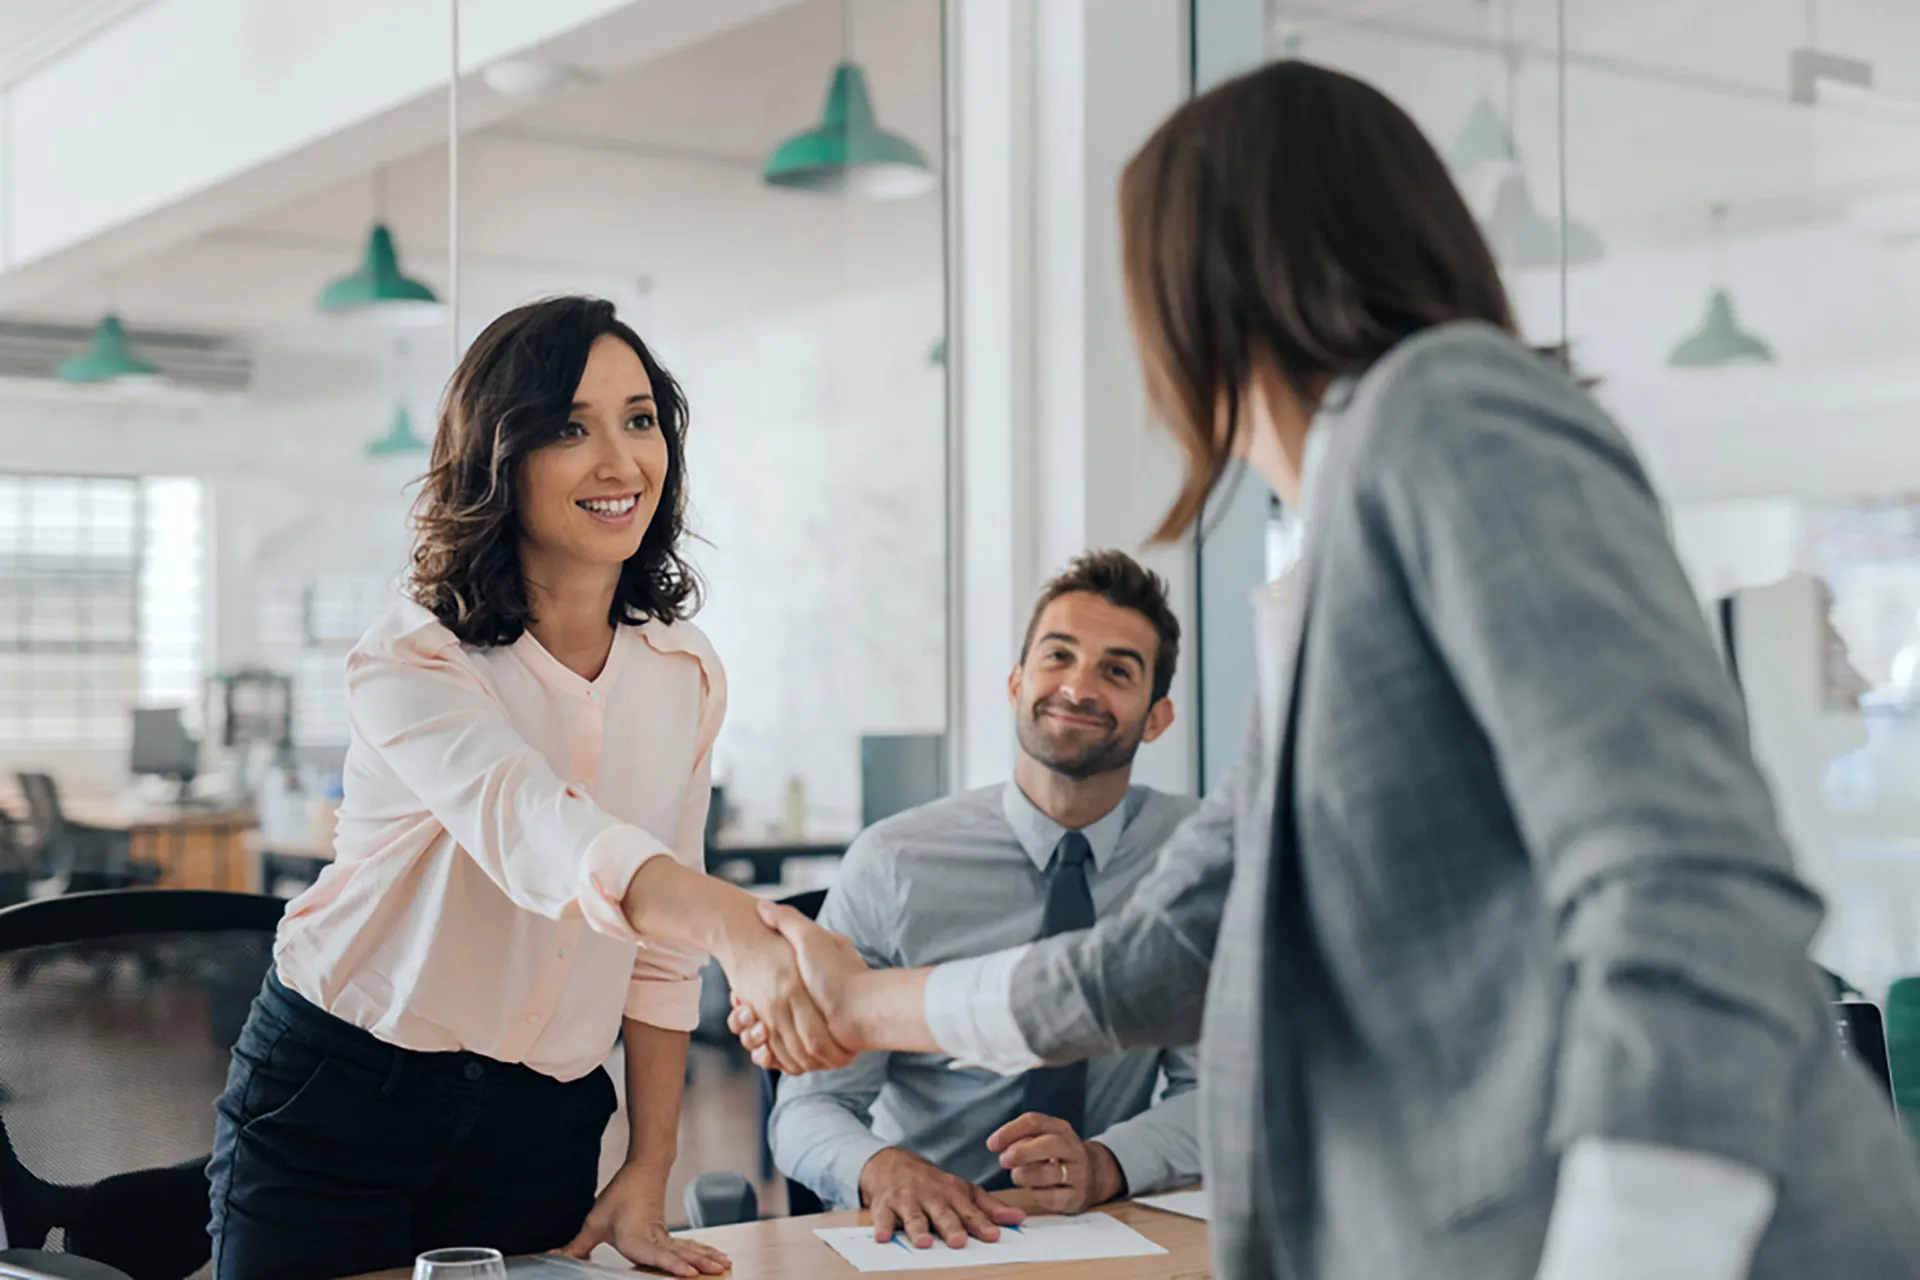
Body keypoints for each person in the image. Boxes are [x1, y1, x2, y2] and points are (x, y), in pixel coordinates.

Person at [731, 61, 1920, 1280]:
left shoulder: (1449, 408)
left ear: (1207, 281)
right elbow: (1170, 950)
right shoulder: (1326, 572)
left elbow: (1683, 877)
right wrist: (864, 1002)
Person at [205, 296, 850, 1280]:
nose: (619, 460)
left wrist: (651, 1159)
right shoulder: (415, 655)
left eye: (640, 420)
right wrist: (738, 928)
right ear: (500, 457)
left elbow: (656, 954)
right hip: (344, 1089)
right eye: (569, 427)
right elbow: (540, 833)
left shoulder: (685, 672)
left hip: (541, 1115)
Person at [768, 550, 1201, 1248]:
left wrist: (1106, 1163)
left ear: (1156, 717)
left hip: (1107, 1229)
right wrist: (885, 1170)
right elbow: (809, 1107)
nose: (1079, 687)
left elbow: (1223, 1088)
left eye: (1117, 671)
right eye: (1058, 656)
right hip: (927, 1239)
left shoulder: (1195, 860)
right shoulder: (895, 862)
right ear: (1015, 683)